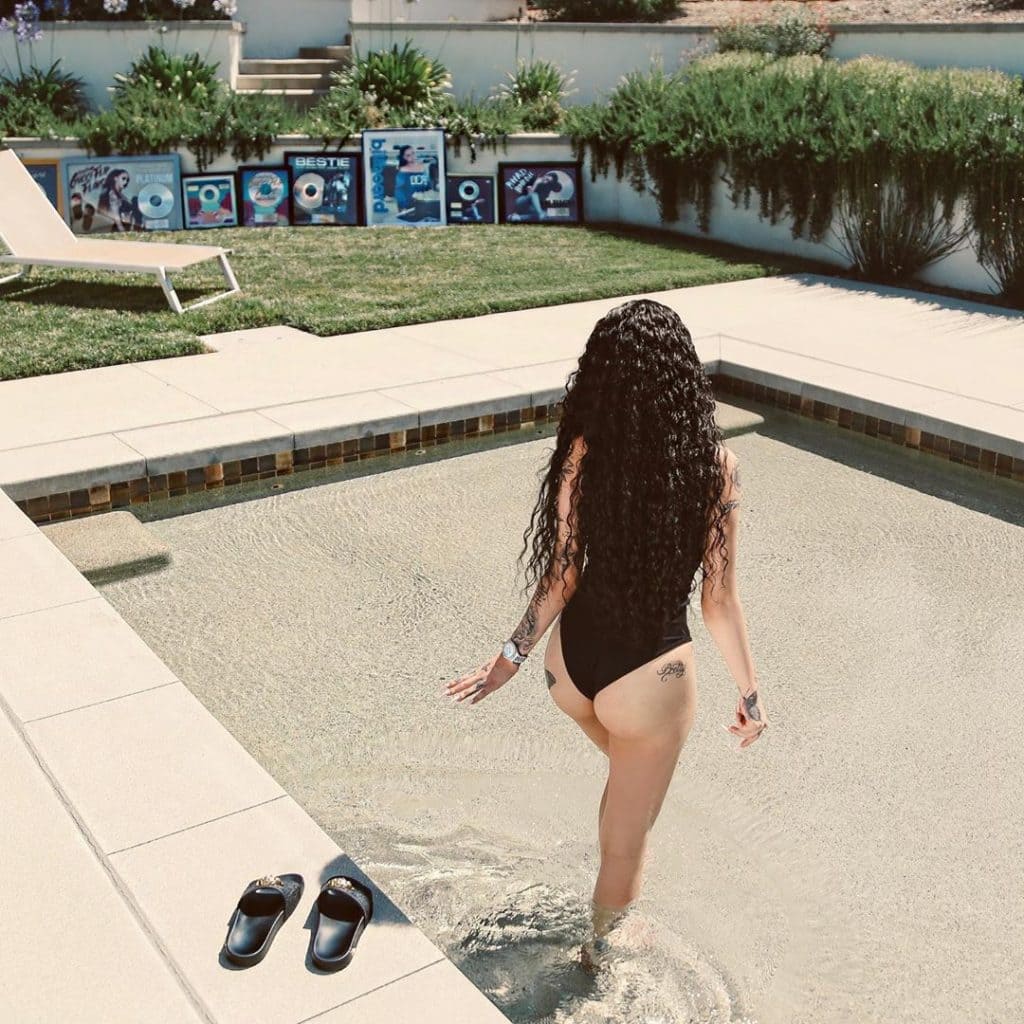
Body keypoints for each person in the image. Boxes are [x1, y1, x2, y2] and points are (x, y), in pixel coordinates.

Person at [445, 298, 769, 968]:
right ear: (683, 377)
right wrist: (751, 695)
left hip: (569, 669)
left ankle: (609, 907)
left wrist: (509, 657)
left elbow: (561, 576)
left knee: (626, 792)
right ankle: (599, 952)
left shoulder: (584, 453)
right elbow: (718, 600)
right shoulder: (717, 467)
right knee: (630, 841)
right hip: (650, 684)